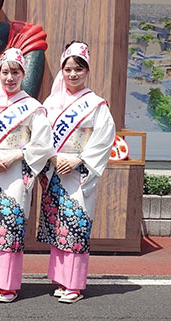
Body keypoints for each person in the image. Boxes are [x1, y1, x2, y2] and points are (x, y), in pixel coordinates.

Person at [36, 41, 116, 303]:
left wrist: (79, 159)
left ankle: (74, 284)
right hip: (55, 171)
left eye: (78, 69)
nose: (73, 74)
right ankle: (60, 279)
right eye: (68, 69)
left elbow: (104, 139)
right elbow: (40, 137)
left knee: (76, 225)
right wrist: (53, 157)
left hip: (79, 174)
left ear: (87, 71)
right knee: (59, 226)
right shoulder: (51, 102)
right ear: (62, 70)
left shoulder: (96, 105)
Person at [0, 47, 54, 303]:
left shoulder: (32, 108)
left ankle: (7, 285)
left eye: (15, 72)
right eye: (5, 72)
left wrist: (15, 156)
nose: (10, 78)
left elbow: (43, 144)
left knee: (11, 225)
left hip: (17, 172)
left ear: (23, 74)